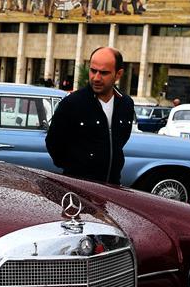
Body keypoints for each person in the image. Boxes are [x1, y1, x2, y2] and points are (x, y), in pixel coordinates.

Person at [45, 47, 135, 184]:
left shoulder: (126, 103)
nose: (96, 78)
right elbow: (53, 143)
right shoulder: (72, 103)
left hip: (113, 186)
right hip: (78, 186)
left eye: (104, 73)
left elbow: (121, 140)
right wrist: (76, 168)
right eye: (93, 71)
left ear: (118, 74)